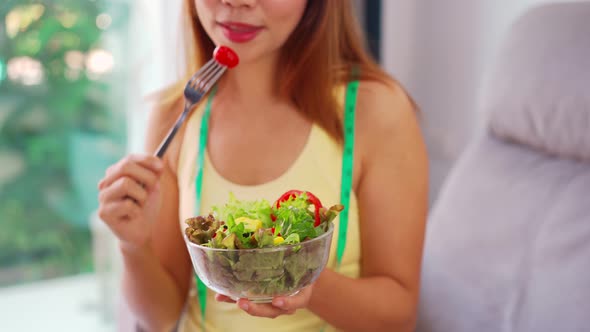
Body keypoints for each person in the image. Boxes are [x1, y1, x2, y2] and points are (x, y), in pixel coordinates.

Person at [97, 0, 428, 331]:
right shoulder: (174, 115)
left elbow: (398, 318)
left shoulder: (376, 111)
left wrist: (294, 273)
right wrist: (133, 245)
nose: (237, 1)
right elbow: (162, 318)